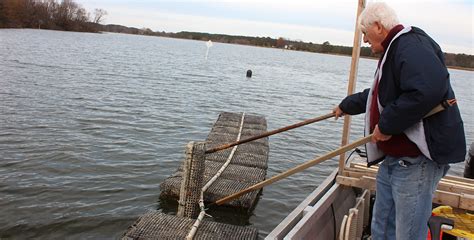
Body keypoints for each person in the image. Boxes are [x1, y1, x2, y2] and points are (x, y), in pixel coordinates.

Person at [333, 2, 466, 240]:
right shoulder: (395, 50)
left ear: (378, 26)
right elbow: (378, 96)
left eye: (365, 32)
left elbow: (428, 89)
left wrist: (386, 125)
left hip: (416, 162)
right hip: (395, 160)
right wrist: (347, 105)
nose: (364, 40)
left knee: (409, 234)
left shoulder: (410, 45)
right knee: (382, 227)